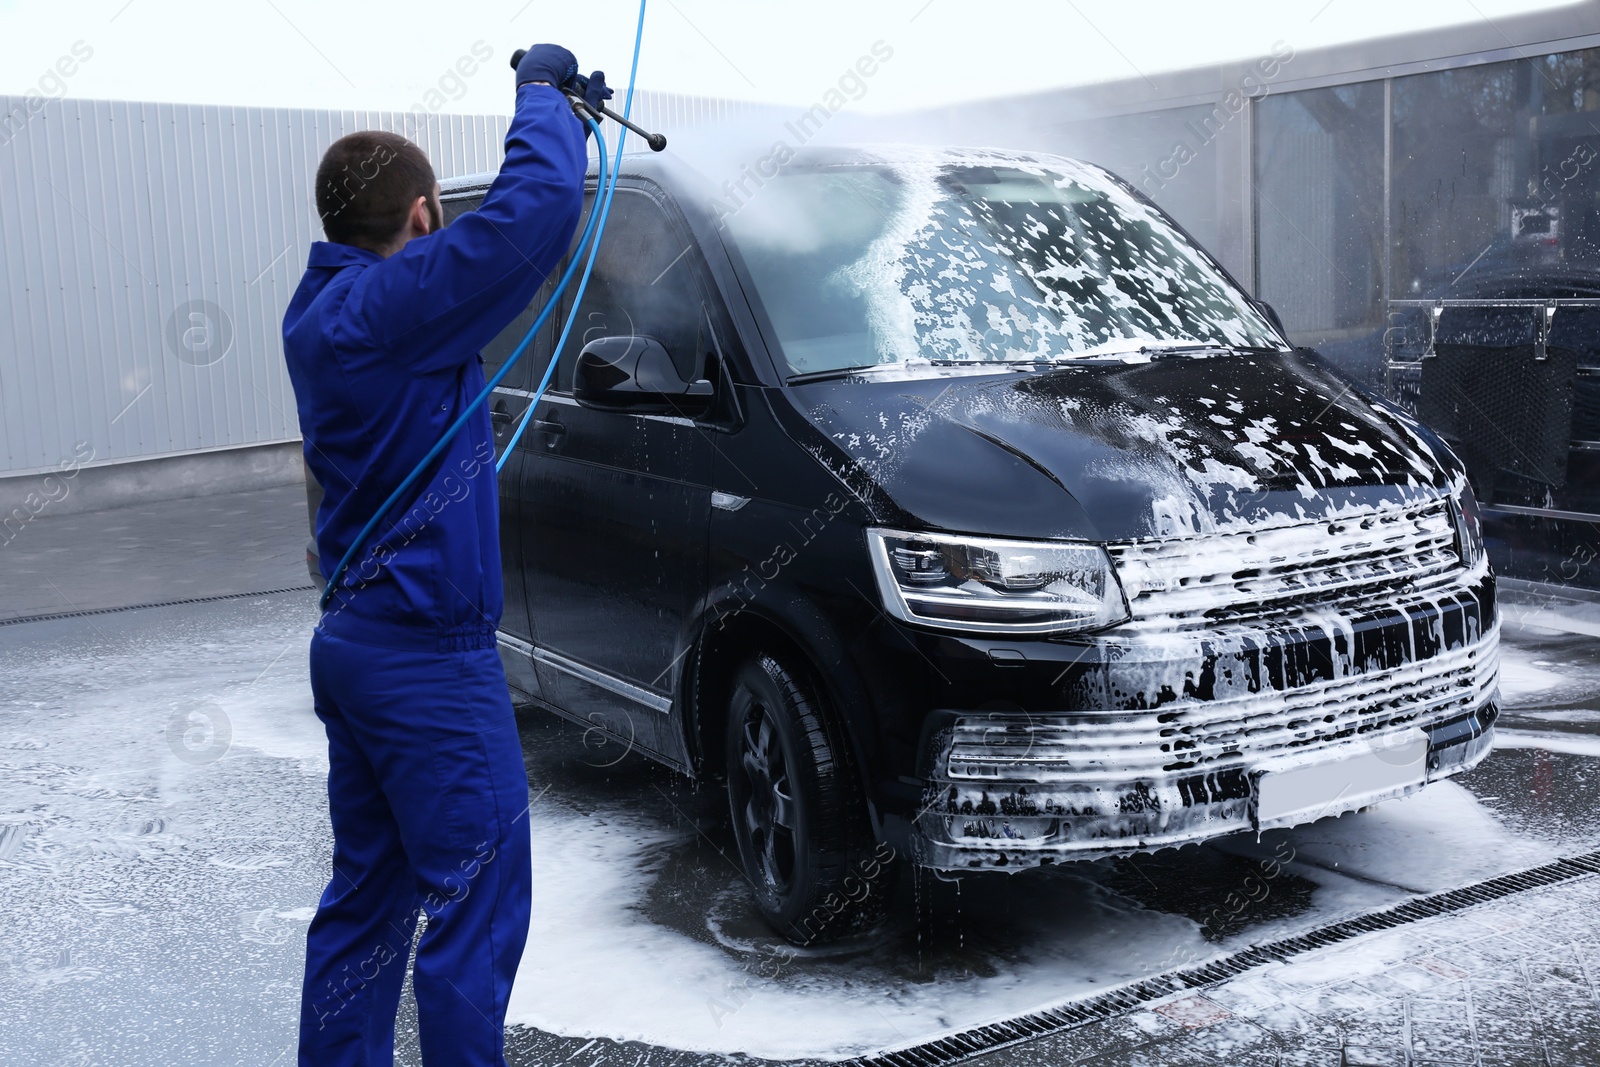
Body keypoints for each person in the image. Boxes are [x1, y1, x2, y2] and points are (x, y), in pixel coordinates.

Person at [281, 43, 610, 1067]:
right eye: (440, 220)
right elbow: (536, 207)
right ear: (423, 219)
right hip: (426, 661)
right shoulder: (392, 310)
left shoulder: (323, 311)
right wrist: (543, 93)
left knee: (369, 901)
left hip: (360, 644)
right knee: (473, 909)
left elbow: (509, 231)